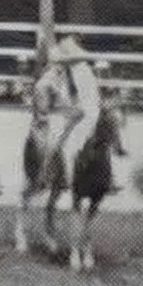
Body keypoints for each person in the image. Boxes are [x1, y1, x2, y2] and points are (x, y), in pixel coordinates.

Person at [30, 35, 104, 179]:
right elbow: (45, 104)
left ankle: (101, 174)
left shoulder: (73, 74)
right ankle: (44, 175)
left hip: (68, 114)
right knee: (53, 141)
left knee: (97, 132)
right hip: (52, 117)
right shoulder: (50, 77)